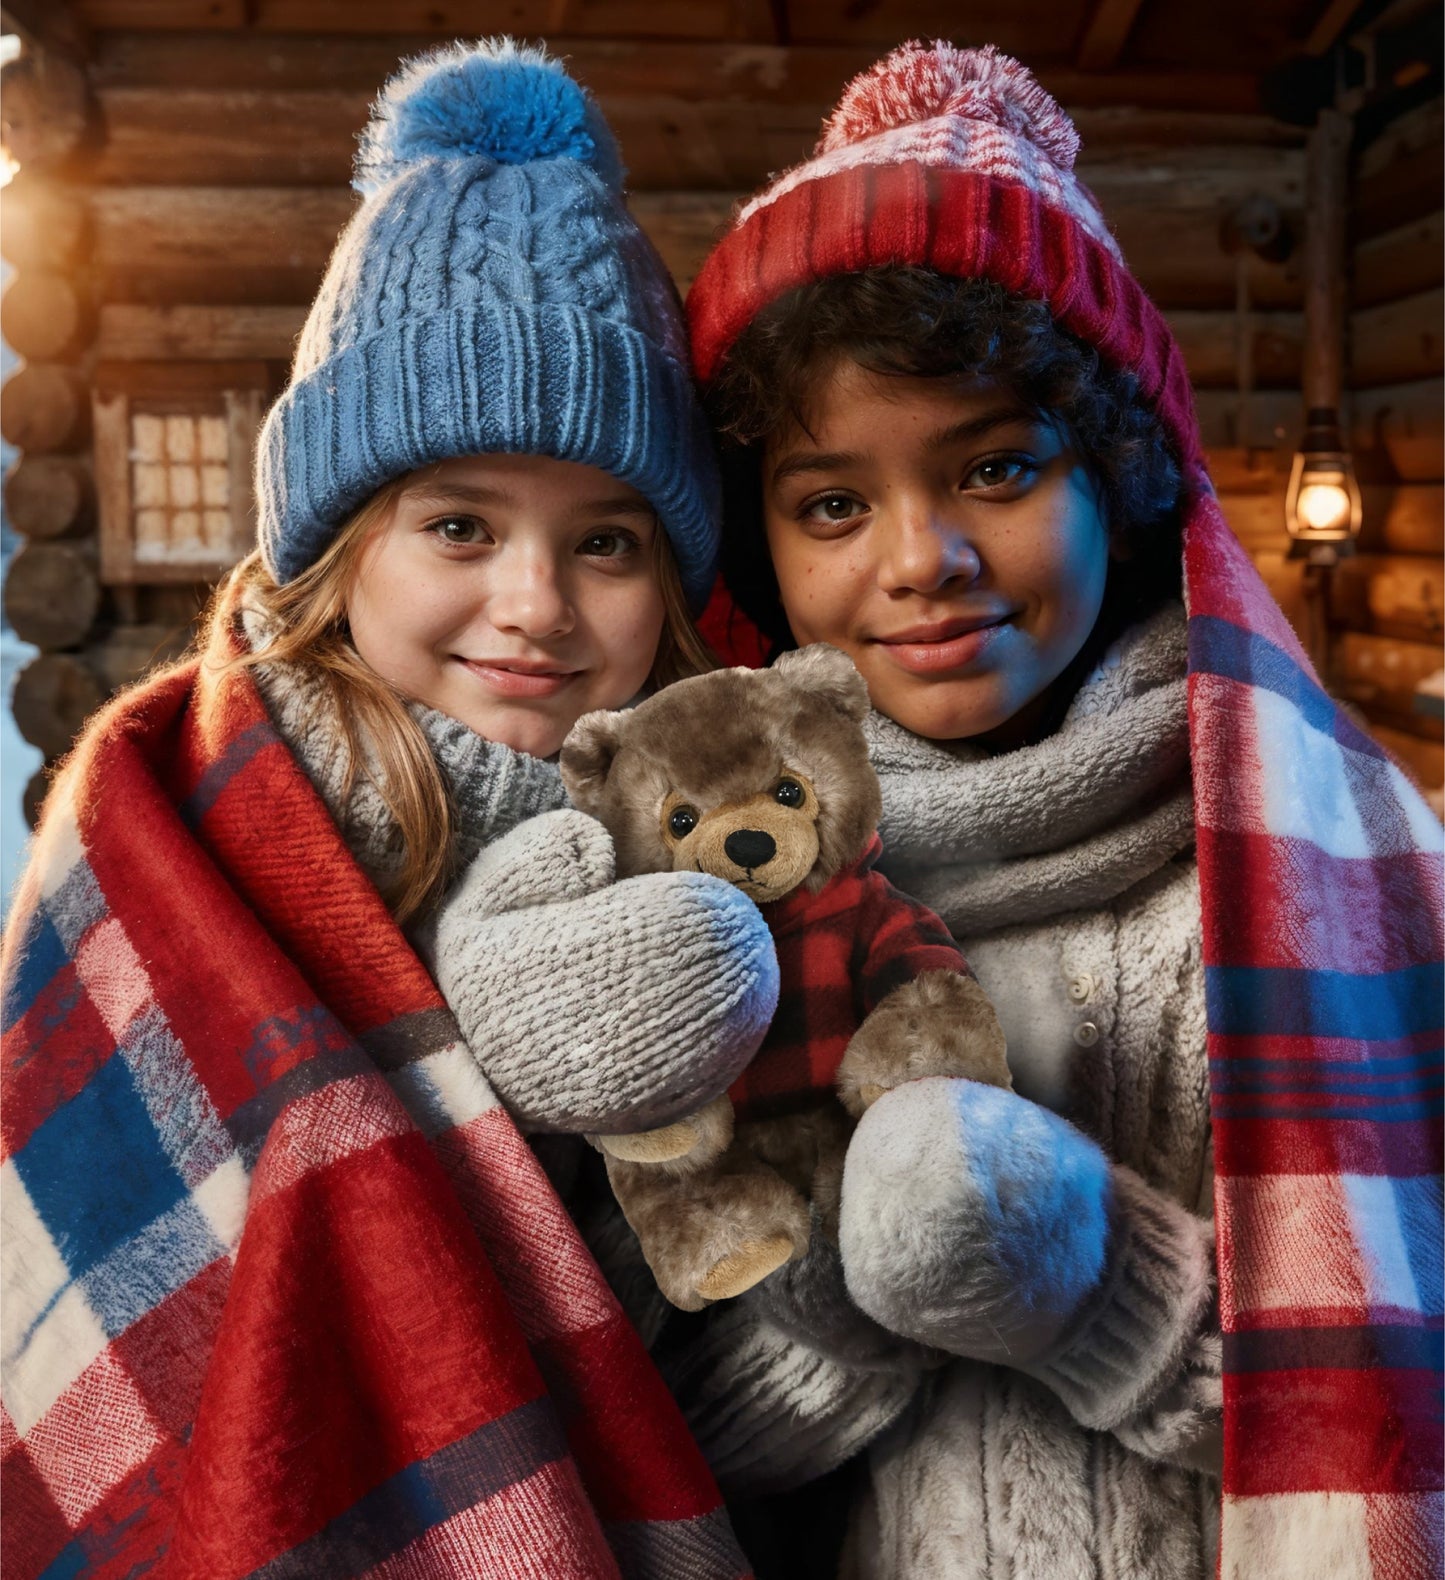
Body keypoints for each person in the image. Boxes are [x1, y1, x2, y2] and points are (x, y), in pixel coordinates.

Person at [665, 40, 1443, 1580]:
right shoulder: (727, 918)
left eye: (998, 467)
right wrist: (836, 1307)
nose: (920, 558)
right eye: (834, 502)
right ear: (759, 544)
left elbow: (1404, 1417)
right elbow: (665, 1444)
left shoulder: (1342, 871)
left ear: (1122, 474)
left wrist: (1094, 1297)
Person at [0, 41, 778, 1579]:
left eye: (608, 541)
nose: (533, 605)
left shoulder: (731, 856)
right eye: (457, 525)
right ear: (340, 548)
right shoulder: (156, 831)